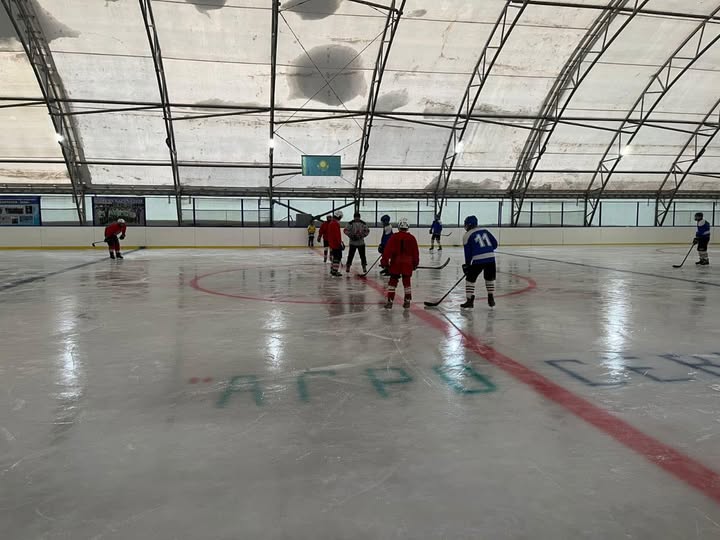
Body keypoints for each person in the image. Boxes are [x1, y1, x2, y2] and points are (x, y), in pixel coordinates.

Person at [380, 217, 419, 309]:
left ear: (398, 227)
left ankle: (390, 301)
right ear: (407, 227)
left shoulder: (394, 237)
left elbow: (387, 251)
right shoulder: (412, 238)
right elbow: (415, 253)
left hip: (396, 263)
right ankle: (407, 301)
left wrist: (384, 262)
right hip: (407, 263)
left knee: (392, 282)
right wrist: (415, 264)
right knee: (407, 283)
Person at [461, 215, 498, 309]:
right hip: (491, 258)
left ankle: (469, 300)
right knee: (489, 278)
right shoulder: (485, 231)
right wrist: (487, 250)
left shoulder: (467, 235)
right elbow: (495, 244)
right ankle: (491, 297)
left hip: (478, 260)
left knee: (470, 279)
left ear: (469, 224)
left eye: (466, 224)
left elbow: (468, 253)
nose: (465, 226)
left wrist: (467, 265)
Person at [327, 210, 344, 277]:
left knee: (335, 257)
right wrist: (339, 243)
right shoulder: (335, 224)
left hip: (332, 243)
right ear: (339, 216)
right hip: (336, 244)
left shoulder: (331, 223)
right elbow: (337, 235)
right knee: (337, 258)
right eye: (340, 217)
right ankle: (335, 271)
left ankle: (332, 270)